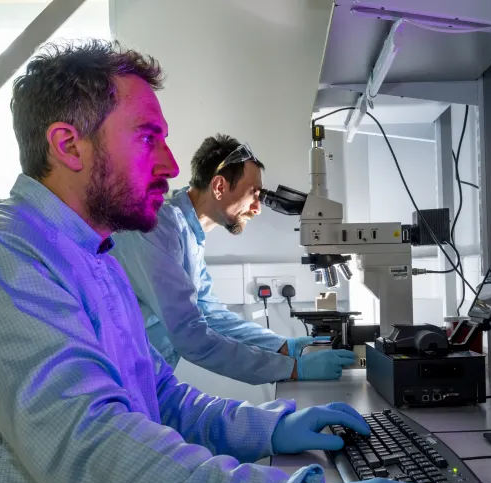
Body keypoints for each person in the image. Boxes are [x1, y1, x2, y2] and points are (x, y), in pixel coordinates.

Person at [0, 40, 479, 483]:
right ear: (67, 144)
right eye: (146, 137)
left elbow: (156, 396)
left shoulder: (98, 256)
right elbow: (95, 448)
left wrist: (269, 429)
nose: (167, 162)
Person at [111, 135, 355, 384]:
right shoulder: (159, 228)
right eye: (254, 193)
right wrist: (292, 368)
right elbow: (191, 335)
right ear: (219, 187)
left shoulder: (189, 235)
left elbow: (210, 313)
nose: (257, 208)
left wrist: (283, 346)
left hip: (144, 380)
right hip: (118, 381)